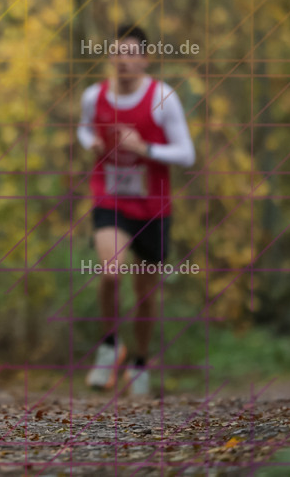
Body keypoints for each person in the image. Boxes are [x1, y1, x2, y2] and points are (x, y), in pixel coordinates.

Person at [77, 24, 195, 397]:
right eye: (118, 53)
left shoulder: (163, 98)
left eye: (132, 53)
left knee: (146, 295)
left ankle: (140, 362)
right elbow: (82, 130)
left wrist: (146, 150)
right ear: (111, 57)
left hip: (153, 208)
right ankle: (110, 347)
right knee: (110, 271)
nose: (124, 60)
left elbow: (187, 154)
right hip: (110, 199)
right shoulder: (94, 96)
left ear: (145, 59)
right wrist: (91, 142)